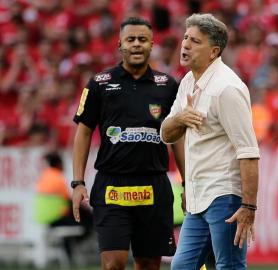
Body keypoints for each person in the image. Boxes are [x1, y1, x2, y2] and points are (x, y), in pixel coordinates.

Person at [71, 17, 184, 270]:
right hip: (112, 185)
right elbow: (83, 132)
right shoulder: (99, 84)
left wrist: (188, 183)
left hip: (153, 186)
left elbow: (177, 137)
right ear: (119, 45)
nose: (136, 44)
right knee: (114, 263)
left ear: (151, 45)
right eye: (130, 39)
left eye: (142, 40)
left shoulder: (167, 86)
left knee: (148, 264)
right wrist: (78, 182)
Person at [161, 13, 260, 270]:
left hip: (224, 195)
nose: (185, 45)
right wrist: (181, 118)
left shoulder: (227, 89)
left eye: (195, 41)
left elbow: (248, 151)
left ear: (214, 51)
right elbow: (166, 134)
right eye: (185, 38)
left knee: (228, 266)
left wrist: (248, 206)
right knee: (181, 267)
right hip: (197, 198)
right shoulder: (187, 83)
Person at [34, 151, 92, 262]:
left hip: (45, 218)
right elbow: (69, 201)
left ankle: (68, 245)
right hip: (56, 218)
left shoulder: (45, 176)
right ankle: (69, 244)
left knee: (81, 220)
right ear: (59, 164)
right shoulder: (57, 177)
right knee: (88, 223)